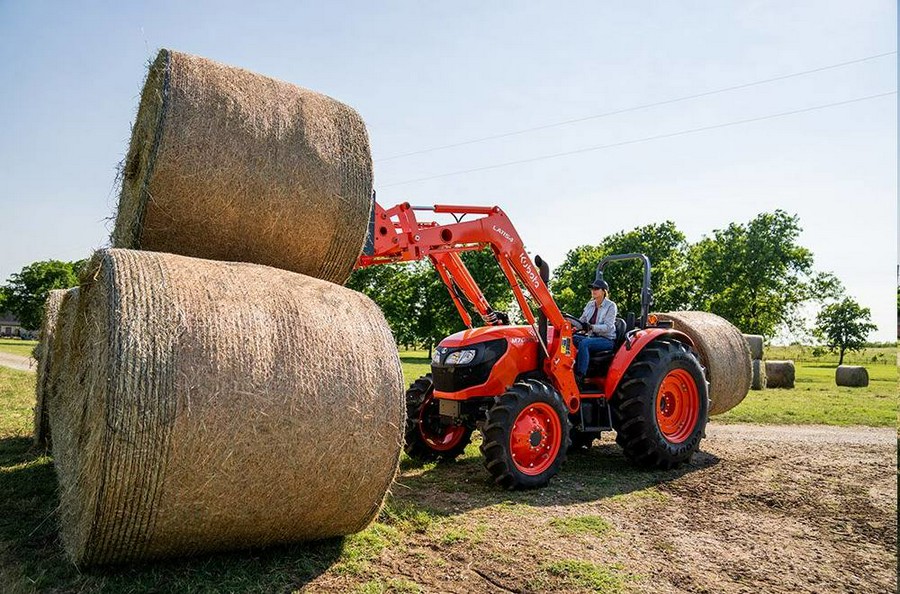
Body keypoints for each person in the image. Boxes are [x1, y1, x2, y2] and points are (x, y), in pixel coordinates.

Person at [573, 278, 618, 384]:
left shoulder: (611, 306)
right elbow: (582, 321)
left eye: (596, 288)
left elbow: (608, 326)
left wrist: (592, 327)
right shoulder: (590, 305)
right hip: (592, 337)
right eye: (592, 288)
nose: (593, 290)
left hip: (606, 339)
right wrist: (572, 325)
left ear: (604, 291)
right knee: (570, 339)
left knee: (584, 343)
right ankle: (569, 368)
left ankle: (580, 376)